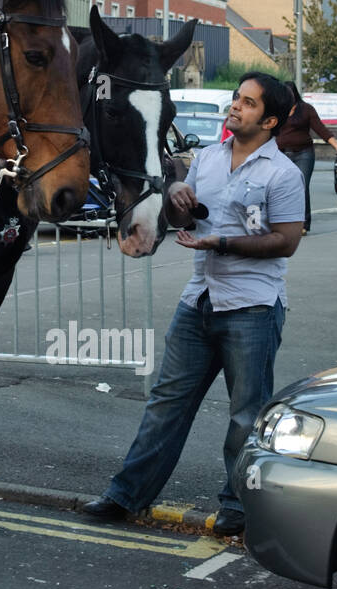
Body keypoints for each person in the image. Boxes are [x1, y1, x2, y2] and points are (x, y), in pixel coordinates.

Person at [83, 73, 305, 537]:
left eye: (246, 103)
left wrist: (223, 242)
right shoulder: (207, 158)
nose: (234, 107)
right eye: (235, 98)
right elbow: (183, 219)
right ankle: (127, 494)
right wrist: (178, 199)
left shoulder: (283, 174)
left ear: (268, 120)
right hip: (199, 300)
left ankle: (238, 507)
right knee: (166, 402)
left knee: (246, 413)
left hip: (252, 308)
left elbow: (285, 242)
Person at [277, 81, 337, 232]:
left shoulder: (306, 109)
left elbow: (321, 129)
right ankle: (284, 221)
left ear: (294, 93)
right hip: (281, 154)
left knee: (301, 186)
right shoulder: (277, 110)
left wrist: (336, 145)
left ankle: (303, 224)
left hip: (303, 153)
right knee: (281, 188)